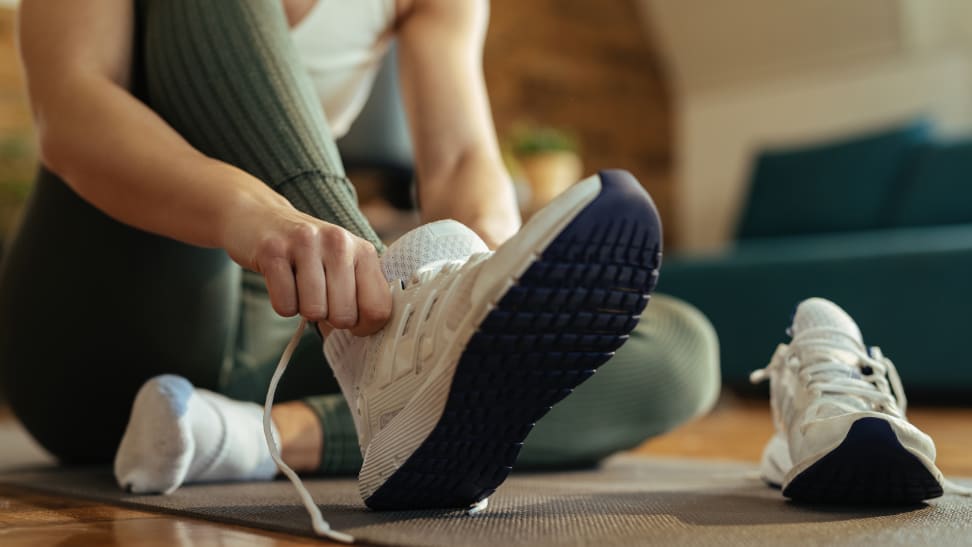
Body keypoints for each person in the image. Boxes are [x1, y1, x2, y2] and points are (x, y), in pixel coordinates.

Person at [0, 0, 719, 520]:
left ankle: (266, 437)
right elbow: (70, 106)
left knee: (681, 346)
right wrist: (262, 218)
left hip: (289, 319)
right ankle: (379, 356)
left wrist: (489, 280)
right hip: (107, 324)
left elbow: (463, 157)